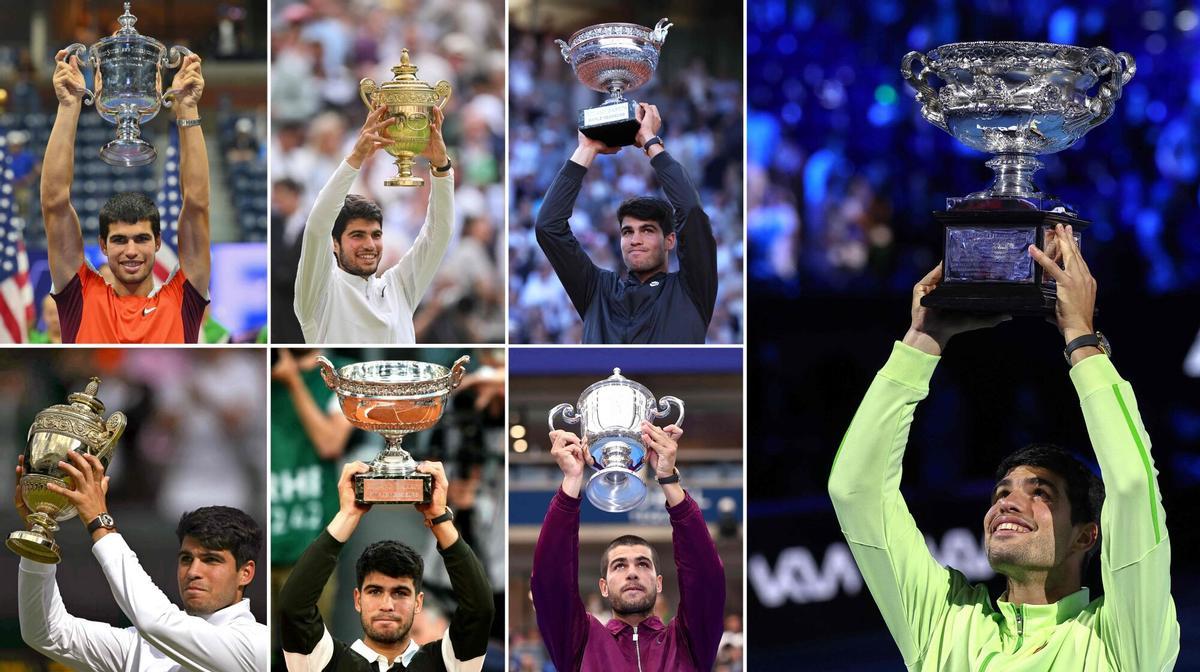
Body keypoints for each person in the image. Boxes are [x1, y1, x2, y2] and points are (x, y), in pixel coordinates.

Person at [828, 224, 1178, 670]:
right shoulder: (945, 623)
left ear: (1087, 534)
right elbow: (854, 490)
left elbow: (1131, 487)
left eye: (1041, 494)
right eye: (1002, 493)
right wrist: (921, 342)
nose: (1009, 504)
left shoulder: (1124, 640)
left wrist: (1083, 341)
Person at [16, 452, 267, 671]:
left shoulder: (256, 645)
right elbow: (45, 632)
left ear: (245, 573)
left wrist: (100, 522)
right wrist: (39, 532)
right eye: (186, 558)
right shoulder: (142, 644)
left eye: (211, 560)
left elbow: (156, 622)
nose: (193, 571)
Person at [42, 50, 211, 343]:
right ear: (103, 246)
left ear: (158, 242)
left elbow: (196, 205)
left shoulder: (183, 299)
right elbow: (55, 203)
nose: (131, 250)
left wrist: (187, 108)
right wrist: (68, 106)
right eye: (119, 240)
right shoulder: (79, 295)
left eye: (141, 238)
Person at [532, 423, 725, 671]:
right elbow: (550, 580)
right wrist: (571, 480)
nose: (632, 572)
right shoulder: (580, 642)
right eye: (619, 565)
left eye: (643, 564)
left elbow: (706, 578)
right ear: (603, 586)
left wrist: (668, 478)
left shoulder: (687, 641)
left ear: (658, 583)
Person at [279, 461, 494, 671]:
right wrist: (347, 516)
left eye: (400, 593)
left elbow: (479, 610)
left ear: (418, 603)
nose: (387, 605)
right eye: (374, 591)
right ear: (357, 599)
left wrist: (439, 518)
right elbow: (293, 606)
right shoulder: (325, 662)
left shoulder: (446, 663)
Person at [534, 104, 718, 344]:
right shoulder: (597, 291)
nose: (635, 240)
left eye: (648, 230)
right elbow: (547, 226)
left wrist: (650, 141)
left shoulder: (691, 289)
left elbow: (690, 210)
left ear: (669, 240)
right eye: (627, 231)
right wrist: (586, 149)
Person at [293, 105, 454, 344]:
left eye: (376, 235)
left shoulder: (399, 287)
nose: (370, 244)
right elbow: (318, 225)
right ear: (335, 244)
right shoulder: (320, 293)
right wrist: (355, 158)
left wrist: (441, 167)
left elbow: (439, 233)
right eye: (357, 235)